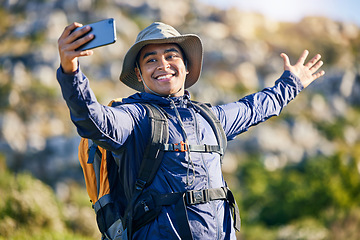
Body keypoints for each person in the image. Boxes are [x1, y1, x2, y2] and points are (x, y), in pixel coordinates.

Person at [57, 21, 325, 239]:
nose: (162, 65)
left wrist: (292, 82)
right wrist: (71, 71)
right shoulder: (133, 117)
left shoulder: (209, 118)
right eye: (150, 60)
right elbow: (92, 119)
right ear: (139, 74)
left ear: (186, 67)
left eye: (171, 56)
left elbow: (255, 107)